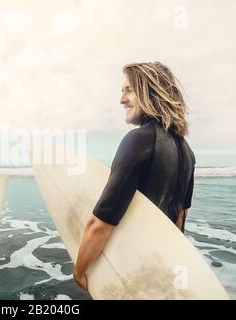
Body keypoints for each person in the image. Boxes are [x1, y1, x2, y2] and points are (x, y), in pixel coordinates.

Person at [73, 62, 196, 291]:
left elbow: (100, 224)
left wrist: (80, 272)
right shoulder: (187, 152)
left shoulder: (139, 140)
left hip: (130, 268)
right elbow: (179, 219)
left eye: (129, 89)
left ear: (149, 91)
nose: (121, 99)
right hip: (157, 272)